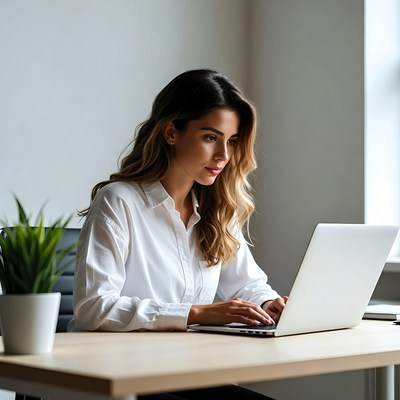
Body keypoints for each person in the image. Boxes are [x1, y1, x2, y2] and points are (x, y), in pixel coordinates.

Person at [68, 69, 287, 400]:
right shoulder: (119, 201)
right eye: (210, 138)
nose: (223, 157)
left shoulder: (217, 209)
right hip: (114, 375)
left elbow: (246, 284)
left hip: (184, 370)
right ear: (171, 132)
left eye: (231, 141)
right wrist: (197, 313)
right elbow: (94, 307)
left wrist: (268, 304)